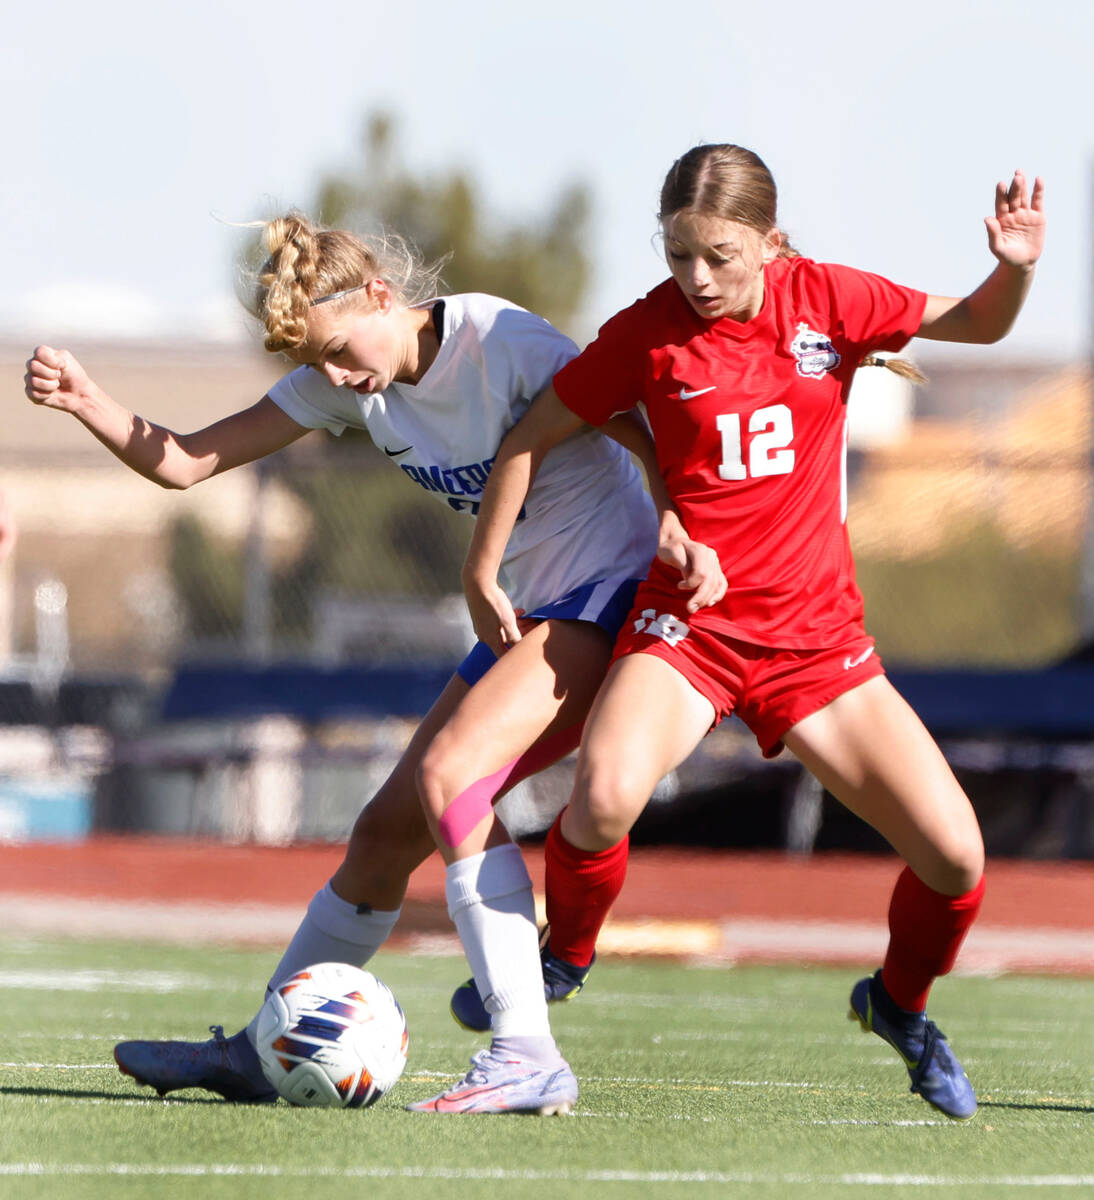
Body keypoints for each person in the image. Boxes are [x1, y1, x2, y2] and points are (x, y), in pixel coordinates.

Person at [23, 213, 724, 1114]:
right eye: (321, 363)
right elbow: (191, 461)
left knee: (452, 777)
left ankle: (526, 1049)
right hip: (538, 608)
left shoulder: (499, 339)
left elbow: (633, 417)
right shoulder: (352, 383)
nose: (337, 376)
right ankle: (259, 1051)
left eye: (342, 350)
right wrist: (90, 401)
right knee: (385, 834)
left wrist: (675, 519)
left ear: (383, 296)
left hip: (615, 591)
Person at [453, 144, 1046, 1121]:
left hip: (816, 647)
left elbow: (977, 322)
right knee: (598, 800)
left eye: (719, 257)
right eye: (678, 254)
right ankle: (561, 958)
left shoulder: (829, 299)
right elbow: (531, 436)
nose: (696, 279)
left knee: (955, 859)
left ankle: (897, 1007)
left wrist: (1013, 266)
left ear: (769, 242)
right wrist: (481, 566)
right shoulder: (645, 332)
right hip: (689, 631)